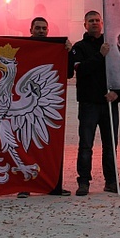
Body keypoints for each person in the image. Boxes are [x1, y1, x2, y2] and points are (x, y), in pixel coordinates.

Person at [70, 10, 120, 196]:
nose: (94, 23)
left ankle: (111, 181)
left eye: (97, 20)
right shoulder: (79, 47)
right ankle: (84, 182)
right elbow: (81, 70)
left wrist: (118, 93)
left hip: (109, 103)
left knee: (111, 145)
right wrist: (100, 56)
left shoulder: (111, 46)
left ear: (102, 23)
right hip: (89, 104)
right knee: (86, 145)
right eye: (90, 21)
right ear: (85, 25)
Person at [17, 16, 72, 198]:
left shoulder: (54, 49)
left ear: (48, 31)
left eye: (44, 28)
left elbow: (68, 73)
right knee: (24, 144)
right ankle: (24, 184)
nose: (41, 31)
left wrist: (68, 53)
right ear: (31, 29)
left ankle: (51, 184)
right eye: (38, 28)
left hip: (46, 105)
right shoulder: (22, 48)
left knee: (49, 147)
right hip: (24, 106)